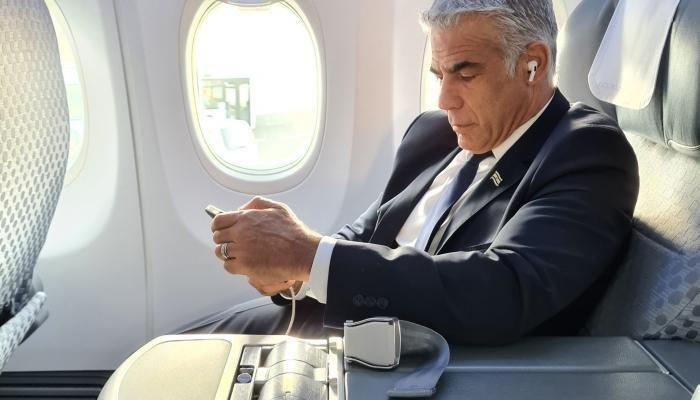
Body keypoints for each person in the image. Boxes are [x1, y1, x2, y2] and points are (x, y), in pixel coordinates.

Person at [184, 0, 639, 345]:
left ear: (531, 64)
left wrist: (308, 256)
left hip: (424, 360)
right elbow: (366, 235)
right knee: (177, 353)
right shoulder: (432, 135)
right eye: (439, 74)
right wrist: (291, 272)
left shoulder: (585, 151)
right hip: (341, 327)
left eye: (465, 74)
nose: (444, 100)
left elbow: (503, 290)